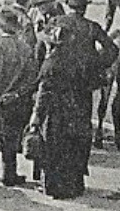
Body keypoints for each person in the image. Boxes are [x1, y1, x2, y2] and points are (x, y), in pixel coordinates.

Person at [26, 19, 96, 199]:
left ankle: (54, 187)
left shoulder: (51, 63)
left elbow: (43, 93)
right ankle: (76, 185)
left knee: (54, 149)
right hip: (79, 110)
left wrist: (35, 118)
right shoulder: (83, 61)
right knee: (76, 147)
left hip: (56, 113)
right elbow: (96, 81)